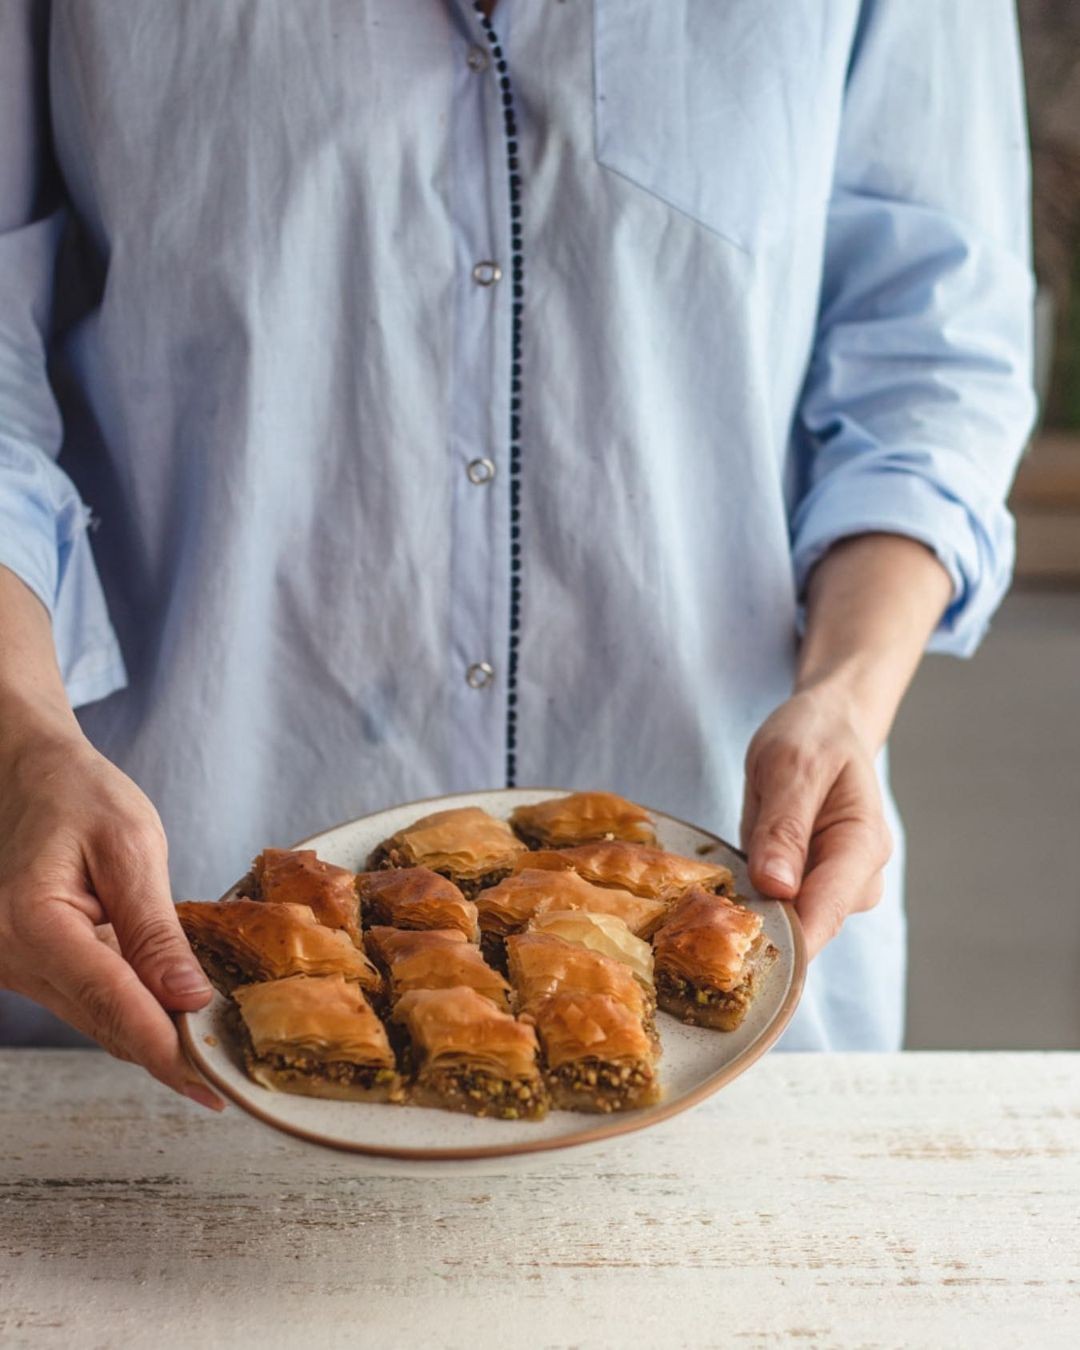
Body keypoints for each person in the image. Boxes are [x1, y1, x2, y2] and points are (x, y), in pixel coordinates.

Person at [0, 1, 1034, 1110]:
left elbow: (930, 360)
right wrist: (19, 741)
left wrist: (845, 696)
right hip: (146, 958)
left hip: (746, 958)